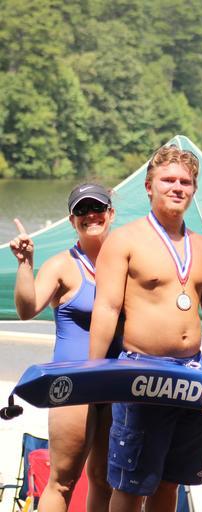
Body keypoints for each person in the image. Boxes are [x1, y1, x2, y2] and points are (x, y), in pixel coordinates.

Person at [90, 145, 202, 512]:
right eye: (168, 180)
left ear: (194, 189)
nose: (177, 187)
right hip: (142, 373)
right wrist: (92, 371)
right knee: (130, 484)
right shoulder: (124, 240)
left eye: (185, 182)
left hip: (192, 375)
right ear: (149, 186)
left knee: (170, 483)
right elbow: (106, 309)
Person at [9, 183, 119, 512]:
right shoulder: (62, 265)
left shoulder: (126, 262)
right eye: (81, 210)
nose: (90, 215)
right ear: (72, 221)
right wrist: (26, 263)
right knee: (62, 481)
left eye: (97, 208)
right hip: (73, 385)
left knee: (106, 480)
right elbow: (27, 309)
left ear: (111, 213)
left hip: (118, 383)